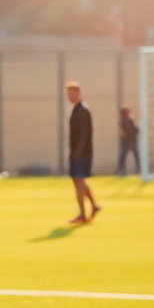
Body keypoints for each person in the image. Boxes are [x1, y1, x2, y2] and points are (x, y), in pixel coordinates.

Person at [66, 83, 100, 223]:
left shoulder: (83, 110)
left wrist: (79, 152)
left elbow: (85, 134)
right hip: (76, 152)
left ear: (77, 93)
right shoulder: (76, 109)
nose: (68, 97)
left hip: (82, 153)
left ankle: (82, 214)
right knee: (77, 180)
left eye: (70, 94)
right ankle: (94, 205)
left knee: (79, 181)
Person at [117, 106, 140, 176]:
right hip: (127, 141)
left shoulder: (130, 120)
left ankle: (122, 170)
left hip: (130, 140)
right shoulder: (125, 121)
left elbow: (134, 130)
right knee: (125, 156)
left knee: (126, 156)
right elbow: (123, 132)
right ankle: (122, 171)